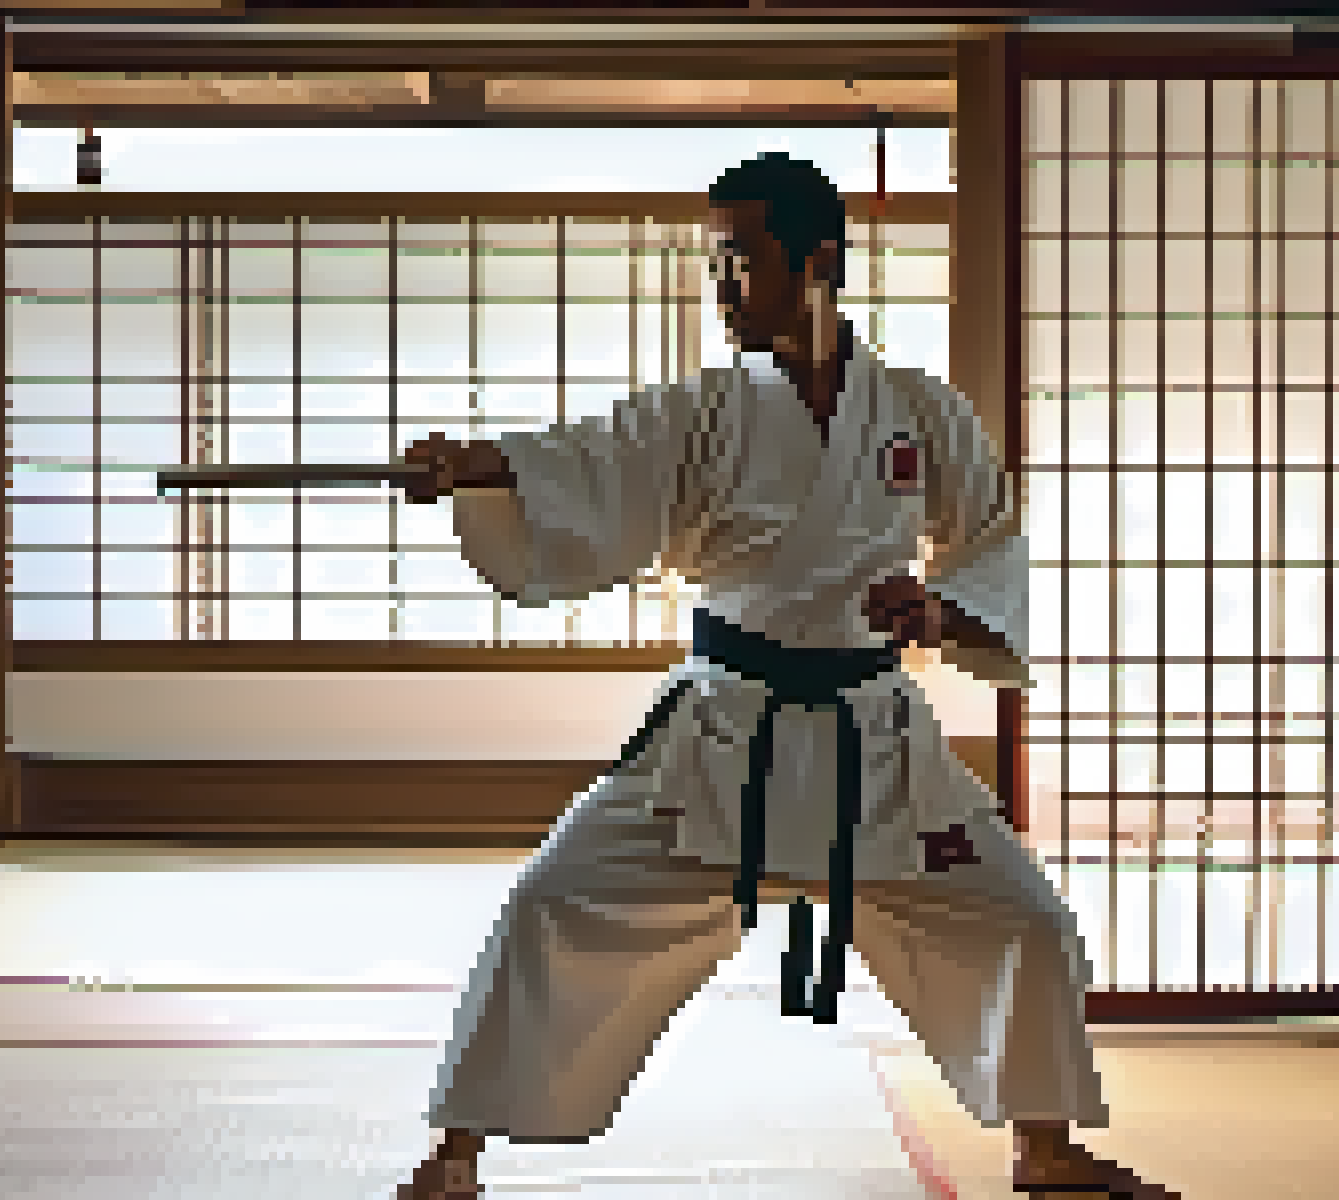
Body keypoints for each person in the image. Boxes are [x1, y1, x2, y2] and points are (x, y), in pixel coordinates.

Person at [390, 153, 1177, 1199]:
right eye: (714, 265)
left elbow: (988, 538)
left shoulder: (918, 411)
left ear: (819, 261)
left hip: (874, 744)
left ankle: (1046, 1146)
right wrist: (473, 466)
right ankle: (456, 1158)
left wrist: (937, 611)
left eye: (742, 263)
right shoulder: (705, 411)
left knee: (1022, 919)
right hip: (722, 737)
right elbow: (586, 463)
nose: (723, 289)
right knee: (551, 902)